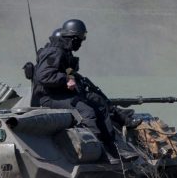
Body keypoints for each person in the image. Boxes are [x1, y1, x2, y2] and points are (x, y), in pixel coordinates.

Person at [32, 19, 135, 159]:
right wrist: (66, 79)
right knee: (87, 111)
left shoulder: (64, 52)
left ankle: (113, 147)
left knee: (99, 103)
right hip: (48, 98)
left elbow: (65, 70)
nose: (81, 42)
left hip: (60, 94)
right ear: (73, 38)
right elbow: (43, 76)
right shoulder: (55, 52)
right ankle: (96, 150)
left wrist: (73, 77)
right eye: (81, 39)